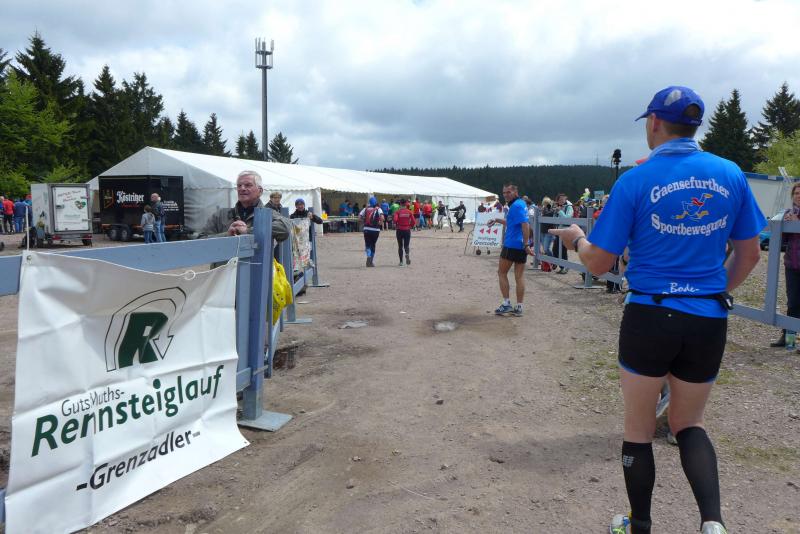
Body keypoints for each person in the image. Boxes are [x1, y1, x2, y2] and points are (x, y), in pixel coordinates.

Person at [550, 86, 764, 534]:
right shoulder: (730, 174)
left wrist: (576, 239)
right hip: (707, 319)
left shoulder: (635, 180)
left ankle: (640, 525)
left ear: (654, 123)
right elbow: (749, 255)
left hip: (649, 314)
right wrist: (705, 292)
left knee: (638, 429)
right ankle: (713, 524)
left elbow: (599, 262)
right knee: (690, 424)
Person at [490, 184, 531, 317]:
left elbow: (525, 225)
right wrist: (497, 220)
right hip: (520, 245)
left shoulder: (516, 205)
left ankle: (506, 303)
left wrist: (526, 244)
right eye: (504, 193)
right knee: (519, 276)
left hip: (512, 244)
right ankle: (519, 307)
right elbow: (513, 223)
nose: (506, 195)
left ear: (515, 192)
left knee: (501, 273)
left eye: (508, 192)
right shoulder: (521, 204)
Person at [771, 182, 800, 349]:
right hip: (792, 265)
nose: (798, 196)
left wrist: (797, 223)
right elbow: (781, 241)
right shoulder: (788, 214)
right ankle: (789, 340)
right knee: (793, 302)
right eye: (796, 193)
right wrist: (785, 228)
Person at [202, 170, 266, 236]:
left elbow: (273, 232)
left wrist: (247, 231)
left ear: (260, 191)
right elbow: (201, 238)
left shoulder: (270, 217)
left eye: (248, 185)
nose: (242, 188)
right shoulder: (220, 216)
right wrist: (227, 235)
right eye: (239, 185)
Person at [359, 197, 384, 267]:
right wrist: (380, 223)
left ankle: (368, 256)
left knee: (367, 244)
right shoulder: (378, 209)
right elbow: (382, 218)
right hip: (376, 230)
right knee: (373, 245)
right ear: (376, 202)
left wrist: (364, 222)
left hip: (366, 229)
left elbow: (359, 218)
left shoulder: (365, 209)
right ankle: (371, 262)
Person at [552, 193, 573, 273]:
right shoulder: (559, 207)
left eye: (563, 199)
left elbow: (567, 218)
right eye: (559, 200)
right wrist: (555, 212)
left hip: (566, 231)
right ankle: (560, 265)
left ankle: (565, 267)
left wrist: (560, 211)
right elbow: (554, 220)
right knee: (555, 249)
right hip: (559, 231)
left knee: (563, 250)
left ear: (565, 199)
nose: (561, 201)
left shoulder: (569, 207)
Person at [393, 198, 416, 265]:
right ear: (406, 204)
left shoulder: (397, 212)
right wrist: (410, 226)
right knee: (406, 245)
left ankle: (401, 262)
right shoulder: (409, 212)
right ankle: (407, 254)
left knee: (400, 246)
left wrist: (396, 223)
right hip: (407, 230)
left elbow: (395, 220)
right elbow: (413, 221)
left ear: (400, 204)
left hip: (399, 230)